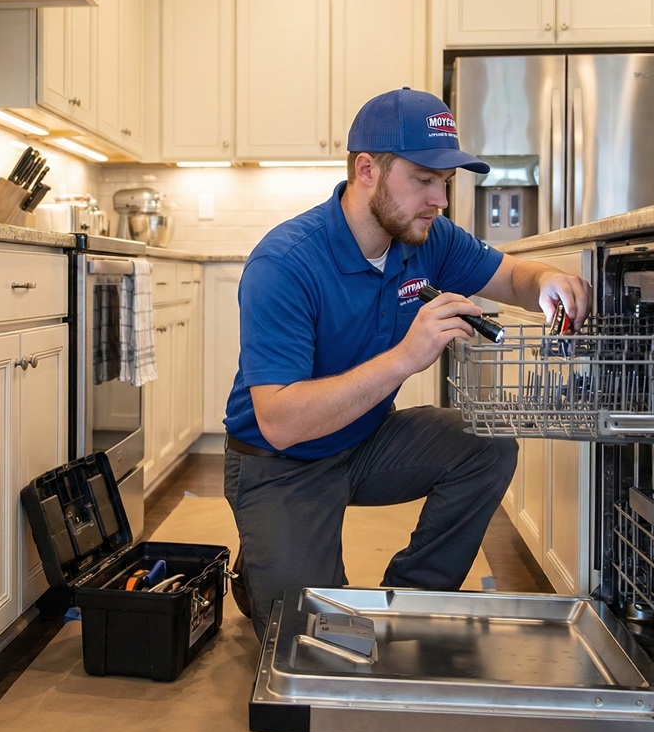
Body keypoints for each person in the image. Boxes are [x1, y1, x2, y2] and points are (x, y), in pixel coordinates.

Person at [223, 87, 591, 639]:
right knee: (317, 644)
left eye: (446, 182)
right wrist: (405, 358)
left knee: (486, 444)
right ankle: (261, 567)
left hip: (364, 441)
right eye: (423, 179)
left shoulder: (427, 239)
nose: (439, 199)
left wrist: (546, 281)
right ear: (366, 169)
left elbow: (513, 276)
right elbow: (280, 421)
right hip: (280, 461)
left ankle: (411, 599)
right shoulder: (285, 263)